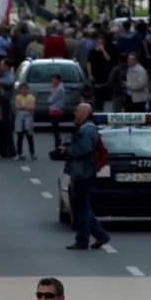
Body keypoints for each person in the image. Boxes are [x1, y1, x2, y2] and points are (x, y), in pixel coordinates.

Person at [63, 100, 110, 250]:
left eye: (77, 111)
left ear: (84, 113)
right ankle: (92, 237)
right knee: (81, 207)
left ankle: (87, 238)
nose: (74, 113)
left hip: (84, 172)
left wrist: (67, 151)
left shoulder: (88, 129)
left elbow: (84, 149)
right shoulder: (83, 128)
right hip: (80, 172)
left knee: (82, 207)